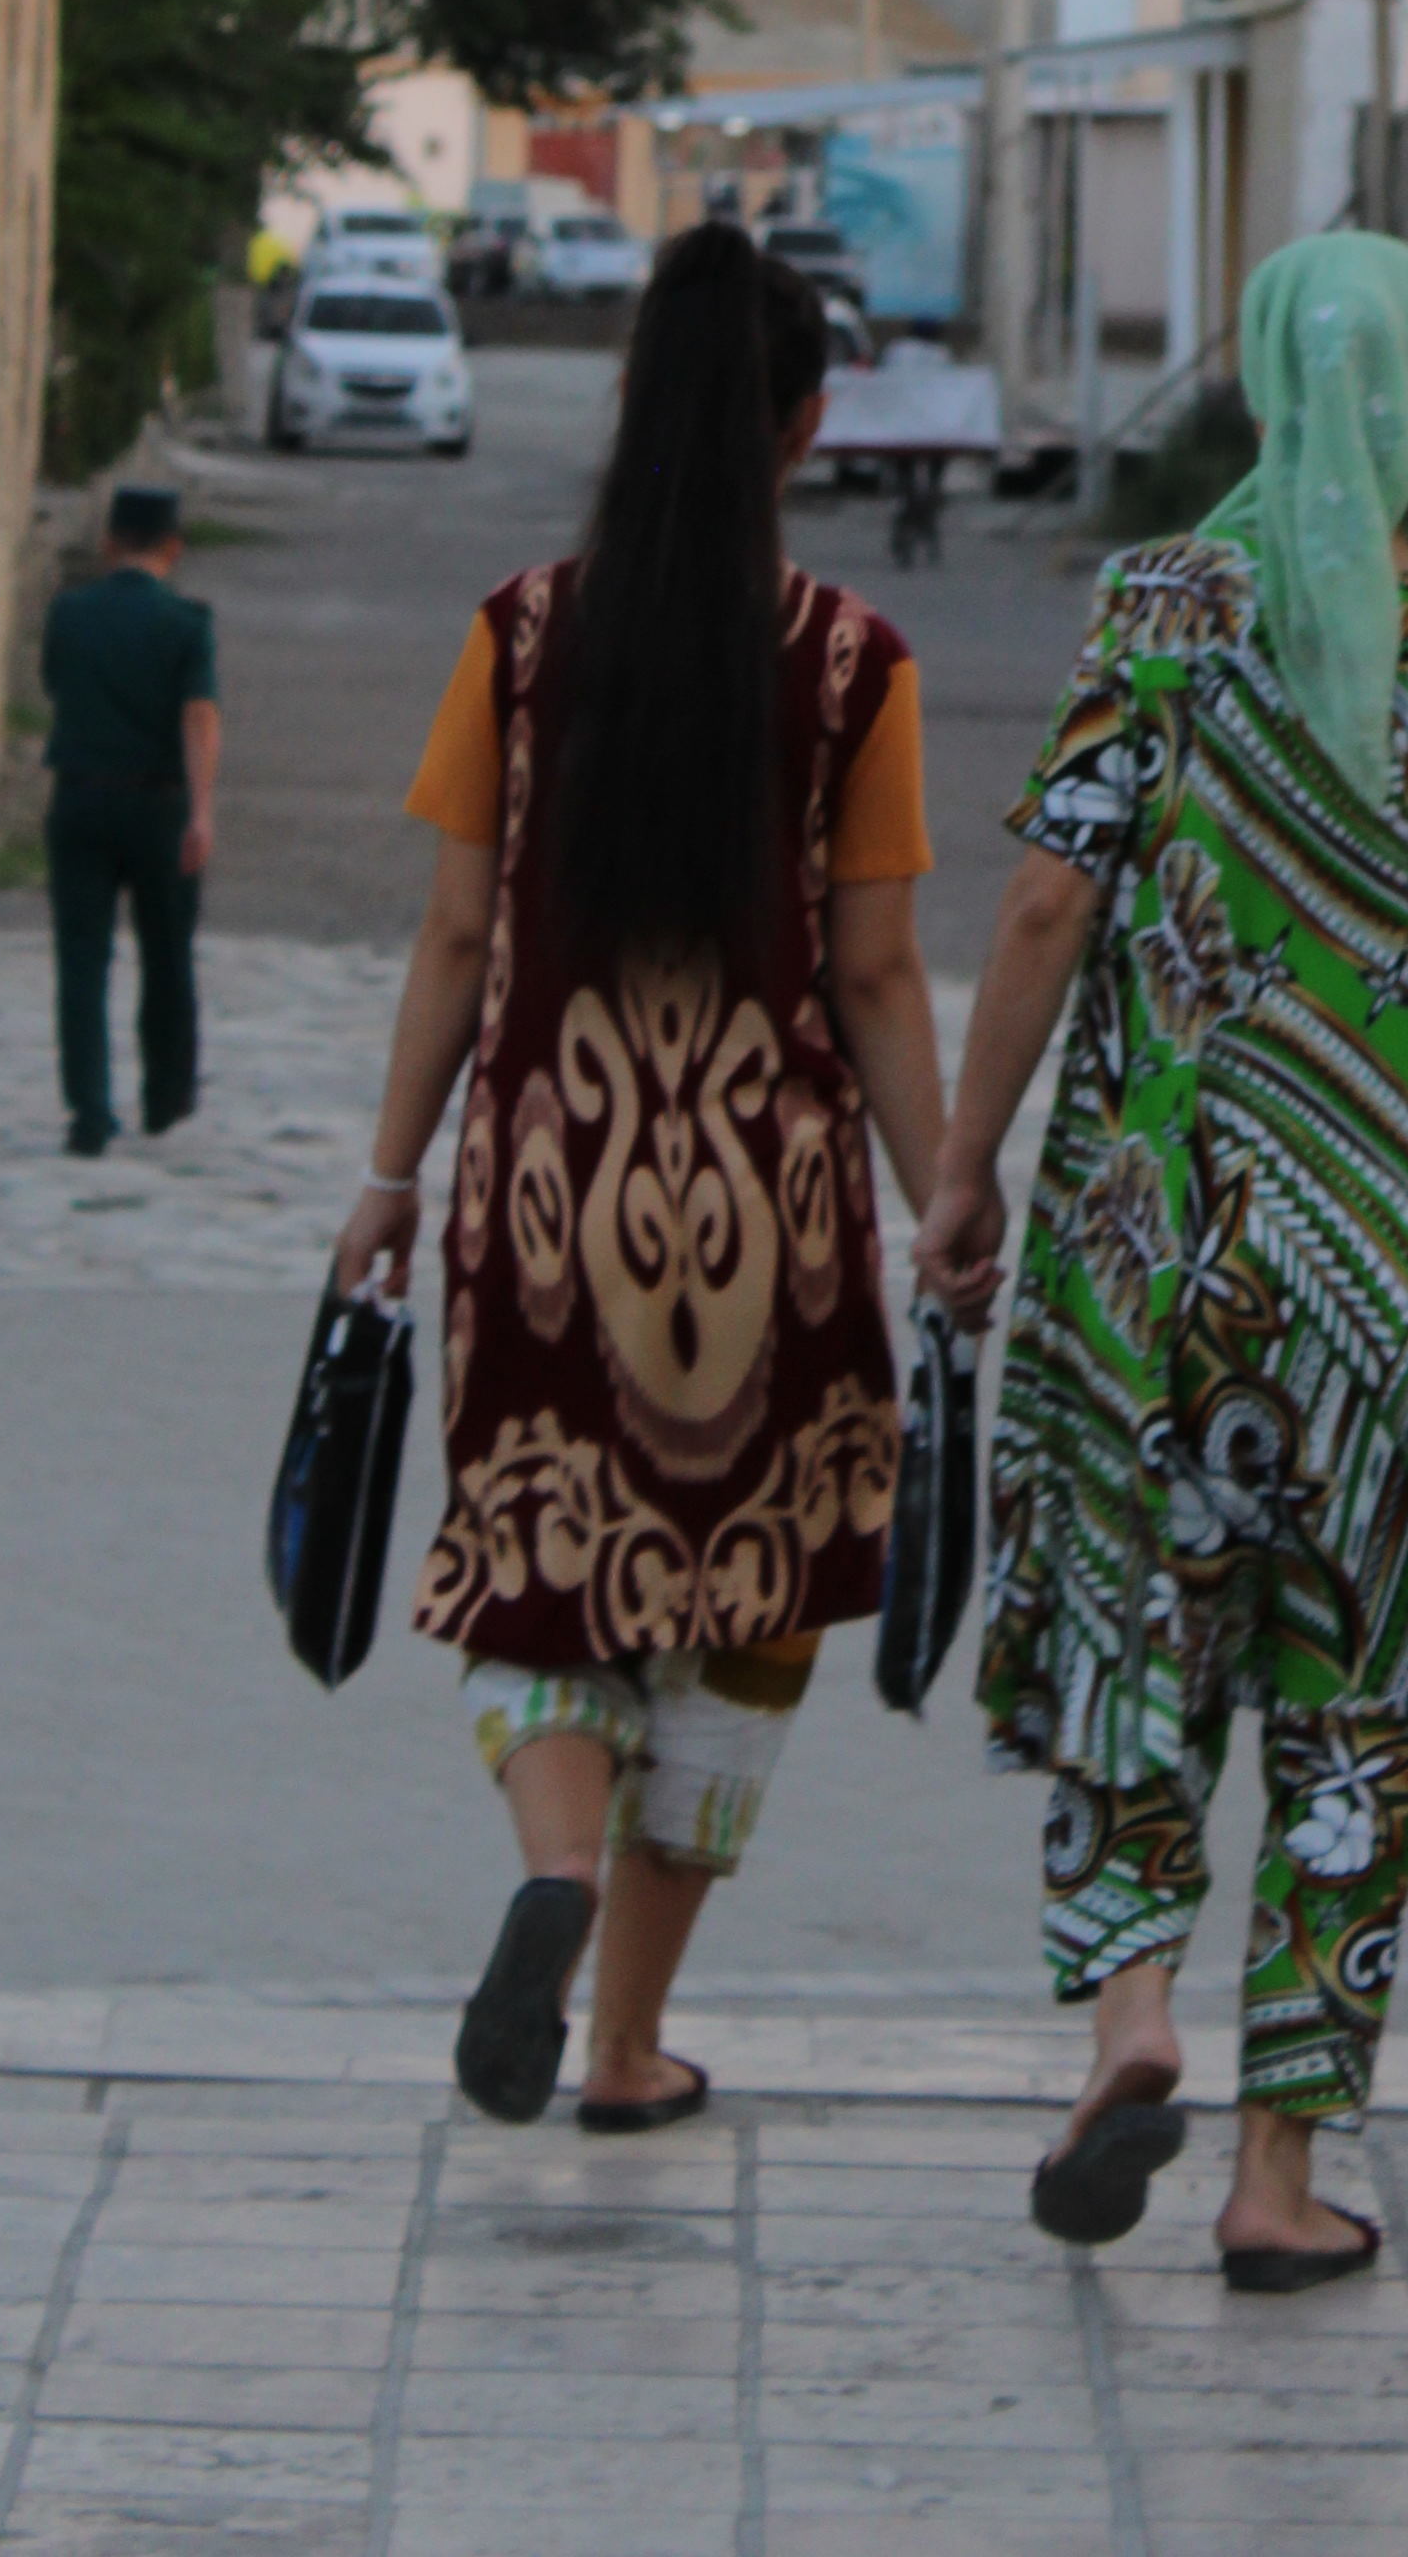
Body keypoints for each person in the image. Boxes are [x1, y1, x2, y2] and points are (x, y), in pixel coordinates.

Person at [912, 232, 1408, 2292]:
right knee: (1358, 1700)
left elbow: (1046, 903)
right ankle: (1279, 2173)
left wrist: (967, 1163)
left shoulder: (1153, 612)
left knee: (1138, 1628)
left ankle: (1133, 2016)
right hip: (1387, 1263)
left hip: (1155, 1232)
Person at [332, 225, 950, 2134]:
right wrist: (947, 1195)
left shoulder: (519, 633)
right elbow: (869, 969)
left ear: (623, 404)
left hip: (541, 1184)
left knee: (541, 1566)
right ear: (806, 425)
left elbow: (451, 939)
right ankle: (623, 2044)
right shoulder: (856, 661)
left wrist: (386, 1172)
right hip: (765, 1204)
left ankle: (553, 1870)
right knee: (745, 1598)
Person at [40, 481, 223, 1158]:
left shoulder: (68, 613)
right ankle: (164, 1097)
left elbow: (55, 686)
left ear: (109, 541)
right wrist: (201, 811)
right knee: (167, 954)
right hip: (158, 804)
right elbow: (199, 716)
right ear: (173, 547)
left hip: (81, 796)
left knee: (81, 959)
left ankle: (88, 1111)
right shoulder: (186, 623)